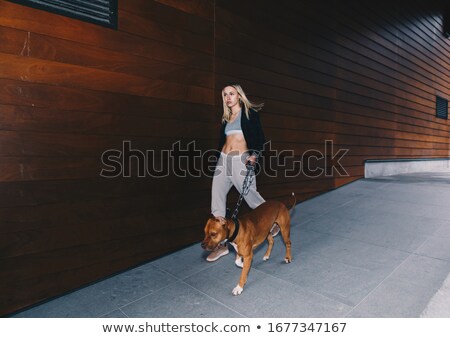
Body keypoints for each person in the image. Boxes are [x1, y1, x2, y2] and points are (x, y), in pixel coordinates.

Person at [206, 83, 279, 263]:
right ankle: (221, 244)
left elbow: (260, 138)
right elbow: (223, 141)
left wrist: (254, 154)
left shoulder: (249, 114)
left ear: (239, 95)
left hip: (240, 159)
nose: (228, 97)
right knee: (217, 199)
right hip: (224, 160)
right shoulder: (226, 117)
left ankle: (274, 219)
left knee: (250, 195)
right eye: (224, 94)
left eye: (231, 93)